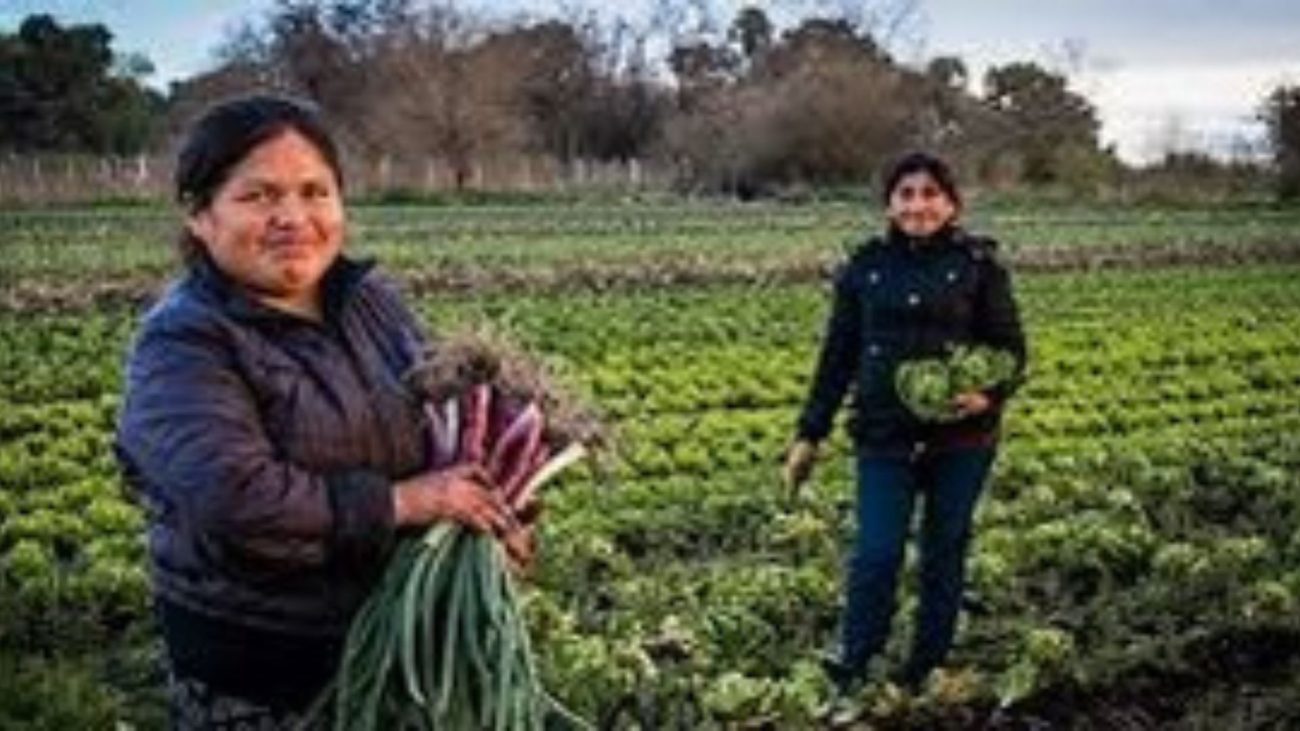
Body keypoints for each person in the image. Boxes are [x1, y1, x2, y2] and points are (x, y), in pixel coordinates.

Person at [114, 94, 528, 729]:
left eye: (315, 192)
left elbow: (442, 433)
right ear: (200, 215)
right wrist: (406, 503)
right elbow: (236, 496)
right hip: (263, 675)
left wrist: (493, 518)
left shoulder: (370, 303)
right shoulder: (184, 341)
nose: (293, 217)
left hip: (400, 648)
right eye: (259, 197)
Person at [784, 151, 1026, 695]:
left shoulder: (979, 267)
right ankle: (855, 661)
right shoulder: (865, 267)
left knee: (944, 550)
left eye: (930, 194)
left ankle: (926, 667)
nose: (918, 205)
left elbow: (1011, 350)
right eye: (906, 194)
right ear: (890, 205)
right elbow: (838, 354)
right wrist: (810, 433)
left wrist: (987, 394)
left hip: (961, 441)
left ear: (952, 203)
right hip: (883, 437)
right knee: (877, 551)